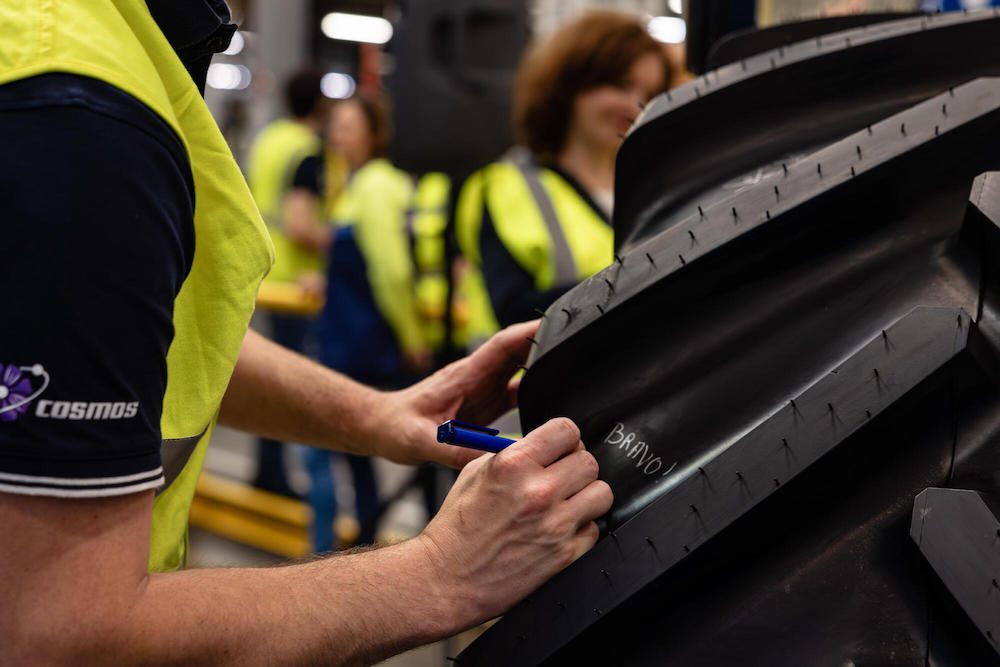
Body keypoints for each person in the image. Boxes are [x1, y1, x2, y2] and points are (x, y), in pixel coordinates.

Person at [0, 2, 612, 664]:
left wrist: (375, 414)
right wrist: (440, 572)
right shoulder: (78, 116)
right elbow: (53, 631)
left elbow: (137, 342)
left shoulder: (78, 50)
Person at [456, 11, 671, 328]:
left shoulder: (659, 186)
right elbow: (513, 309)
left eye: (650, 94)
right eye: (621, 85)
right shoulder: (509, 186)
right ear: (570, 83)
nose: (635, 105)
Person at [245, 67, 343, 497]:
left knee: (263, 382)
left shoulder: (267, 139)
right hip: (298, 281)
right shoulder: (308, 150)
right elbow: (302, 223)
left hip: (264, 273)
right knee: (288, 390)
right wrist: (344, 246)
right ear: (320, 105)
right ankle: (276, 478)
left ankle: (266, 473)